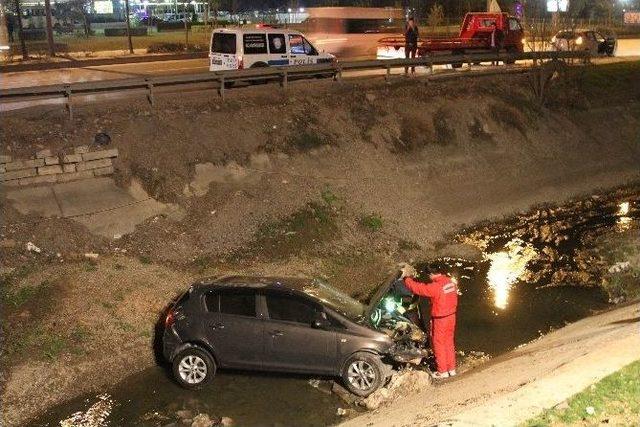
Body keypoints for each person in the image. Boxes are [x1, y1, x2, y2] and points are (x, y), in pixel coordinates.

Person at [399, 263, 458, 379]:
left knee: (438, 344)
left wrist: (407, 279)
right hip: (451, 317)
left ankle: (442, 371)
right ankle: (452, 369)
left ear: (431, 274)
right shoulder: (450, 282)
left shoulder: (435, 287)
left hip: (440, 319)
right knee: (449, 343)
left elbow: (418, 288)